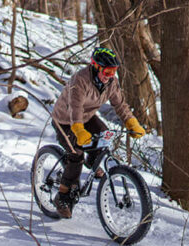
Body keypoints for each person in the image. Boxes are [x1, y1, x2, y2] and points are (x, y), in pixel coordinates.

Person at [49, 47, 146, 218]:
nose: (110, 75)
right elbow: (75, 107)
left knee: (105, 135)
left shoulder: (111, 83)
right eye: (107, 71)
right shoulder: (80, 80)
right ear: (96, 66)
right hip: (65, 120)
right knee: (76, 154)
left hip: (86, 117)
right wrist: (78, 129)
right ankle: (62, 197)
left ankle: (93, 161)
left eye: (114, 71)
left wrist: (132, 122)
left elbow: (120, 105)